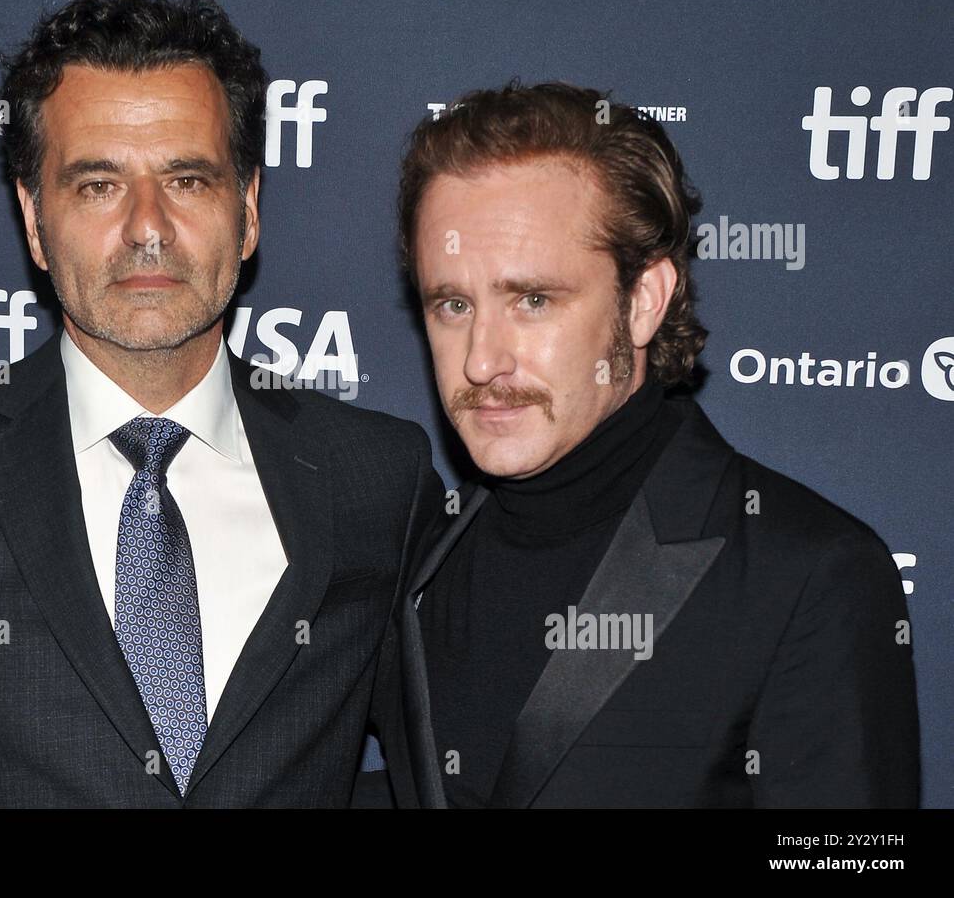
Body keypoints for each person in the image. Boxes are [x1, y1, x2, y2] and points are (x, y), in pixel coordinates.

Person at [0, 0, 442, 807]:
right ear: (33, 220)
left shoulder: (379, 478)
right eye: (97, 185)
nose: (147, 228)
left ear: (249, 210)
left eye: (188, 179)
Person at [365, 81, 920, 808]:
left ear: (643, 302)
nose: (480, 361)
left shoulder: (810, 575)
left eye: (533, 300)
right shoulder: (414, 558)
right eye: (454, 304)